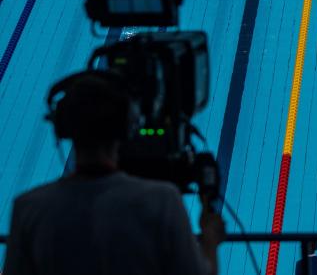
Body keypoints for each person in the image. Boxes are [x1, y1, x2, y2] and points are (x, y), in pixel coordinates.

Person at [3, 71, 225, 275]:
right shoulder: (162, 201)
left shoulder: (28, 208)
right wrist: (210, 241)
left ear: (63, 127)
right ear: (128, 126)